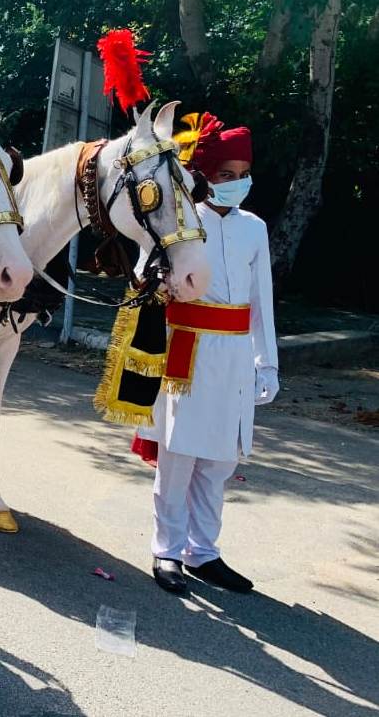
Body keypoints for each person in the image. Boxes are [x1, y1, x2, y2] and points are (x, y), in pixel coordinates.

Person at [137, 112, 279, 596]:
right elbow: (142, 272)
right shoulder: (179, 219)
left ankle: (204, 551)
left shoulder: (254, 228)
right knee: (179, 457)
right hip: (188, 349)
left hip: (237, 355)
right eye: (225, 176)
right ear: (204, 176)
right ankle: (168, 550)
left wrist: (268, 362)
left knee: (219, 461)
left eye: (243, 176)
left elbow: (262, 300)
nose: (236, 184)